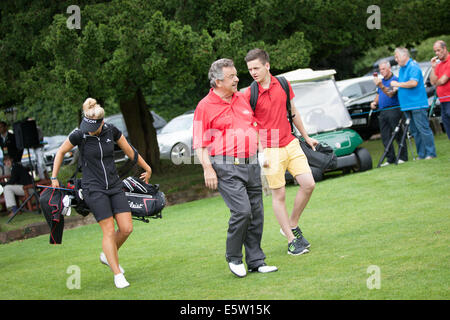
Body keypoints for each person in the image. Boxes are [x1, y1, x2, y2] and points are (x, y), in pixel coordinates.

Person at [51, 98, 152, 289]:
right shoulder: (80, 134)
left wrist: (147, 168)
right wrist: (54, 177)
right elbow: (60, 152)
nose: (89, 130)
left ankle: (107, 255)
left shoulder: (111, 130)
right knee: (107, 229)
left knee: (126, 228)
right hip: (93, 188)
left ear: (101, 122)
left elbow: (130, 151)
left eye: (93, 126)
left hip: (114, 186)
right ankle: (117, 275)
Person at [193, 58, 277, 278]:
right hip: (225, 166)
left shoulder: (241, 98)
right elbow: (199, 143)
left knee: (256, 214)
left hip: (251, 163)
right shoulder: (204, 106)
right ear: (218, 81)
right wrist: (207, 169)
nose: (237, 79)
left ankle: (257, 261)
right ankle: (233, 257)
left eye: (236, 75)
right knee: (242, 211)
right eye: (232, 77)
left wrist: (261, 153)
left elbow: (253, 127)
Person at [244, 48, 318, 256]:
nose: (253, 72)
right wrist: (261, 153)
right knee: (280, 195)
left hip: (291, 143)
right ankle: (291, 240)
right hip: (270, 149)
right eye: (250, 69)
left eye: (256, 68)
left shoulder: (283, 84)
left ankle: (292, 223)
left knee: (308, 184)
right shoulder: (250, 93)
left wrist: (306, 136)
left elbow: (293, 112)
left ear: (267, 65)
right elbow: (251, 126)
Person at [391, 48, 437, 160]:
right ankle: (422, 154)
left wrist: (398, 84)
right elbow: (404, 84)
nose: (396, 60)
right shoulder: (402, 69)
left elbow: (413, 83)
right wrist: (397, 88)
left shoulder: (413, 66)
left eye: (397, 57)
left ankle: (430, 153)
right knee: (414, 131)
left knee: (423, 129)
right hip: (407, 105)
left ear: (404, 56)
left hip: (417, 104)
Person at [370, 60, 408, 165]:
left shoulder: (395, 80)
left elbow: (391, 94)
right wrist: (374, 102)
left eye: (383, 69)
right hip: (383, 111)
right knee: (385, 135)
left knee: (398, 133)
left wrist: (381, 85)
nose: (381, 71)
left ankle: (403, 157)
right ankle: (390, 158)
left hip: (394, 109)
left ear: (389, 68)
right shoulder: (381, 82)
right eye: (380, 69)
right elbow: (379, 94)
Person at [430, 40, 450, 139]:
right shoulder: (439, 65)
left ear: (445, 49)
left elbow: (442, 81)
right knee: (448, 129)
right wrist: (433, 68)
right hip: (443, 101)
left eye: (438, 50)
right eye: (435, 51)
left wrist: (437, 83)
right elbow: (433, 81)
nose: (437, 53)